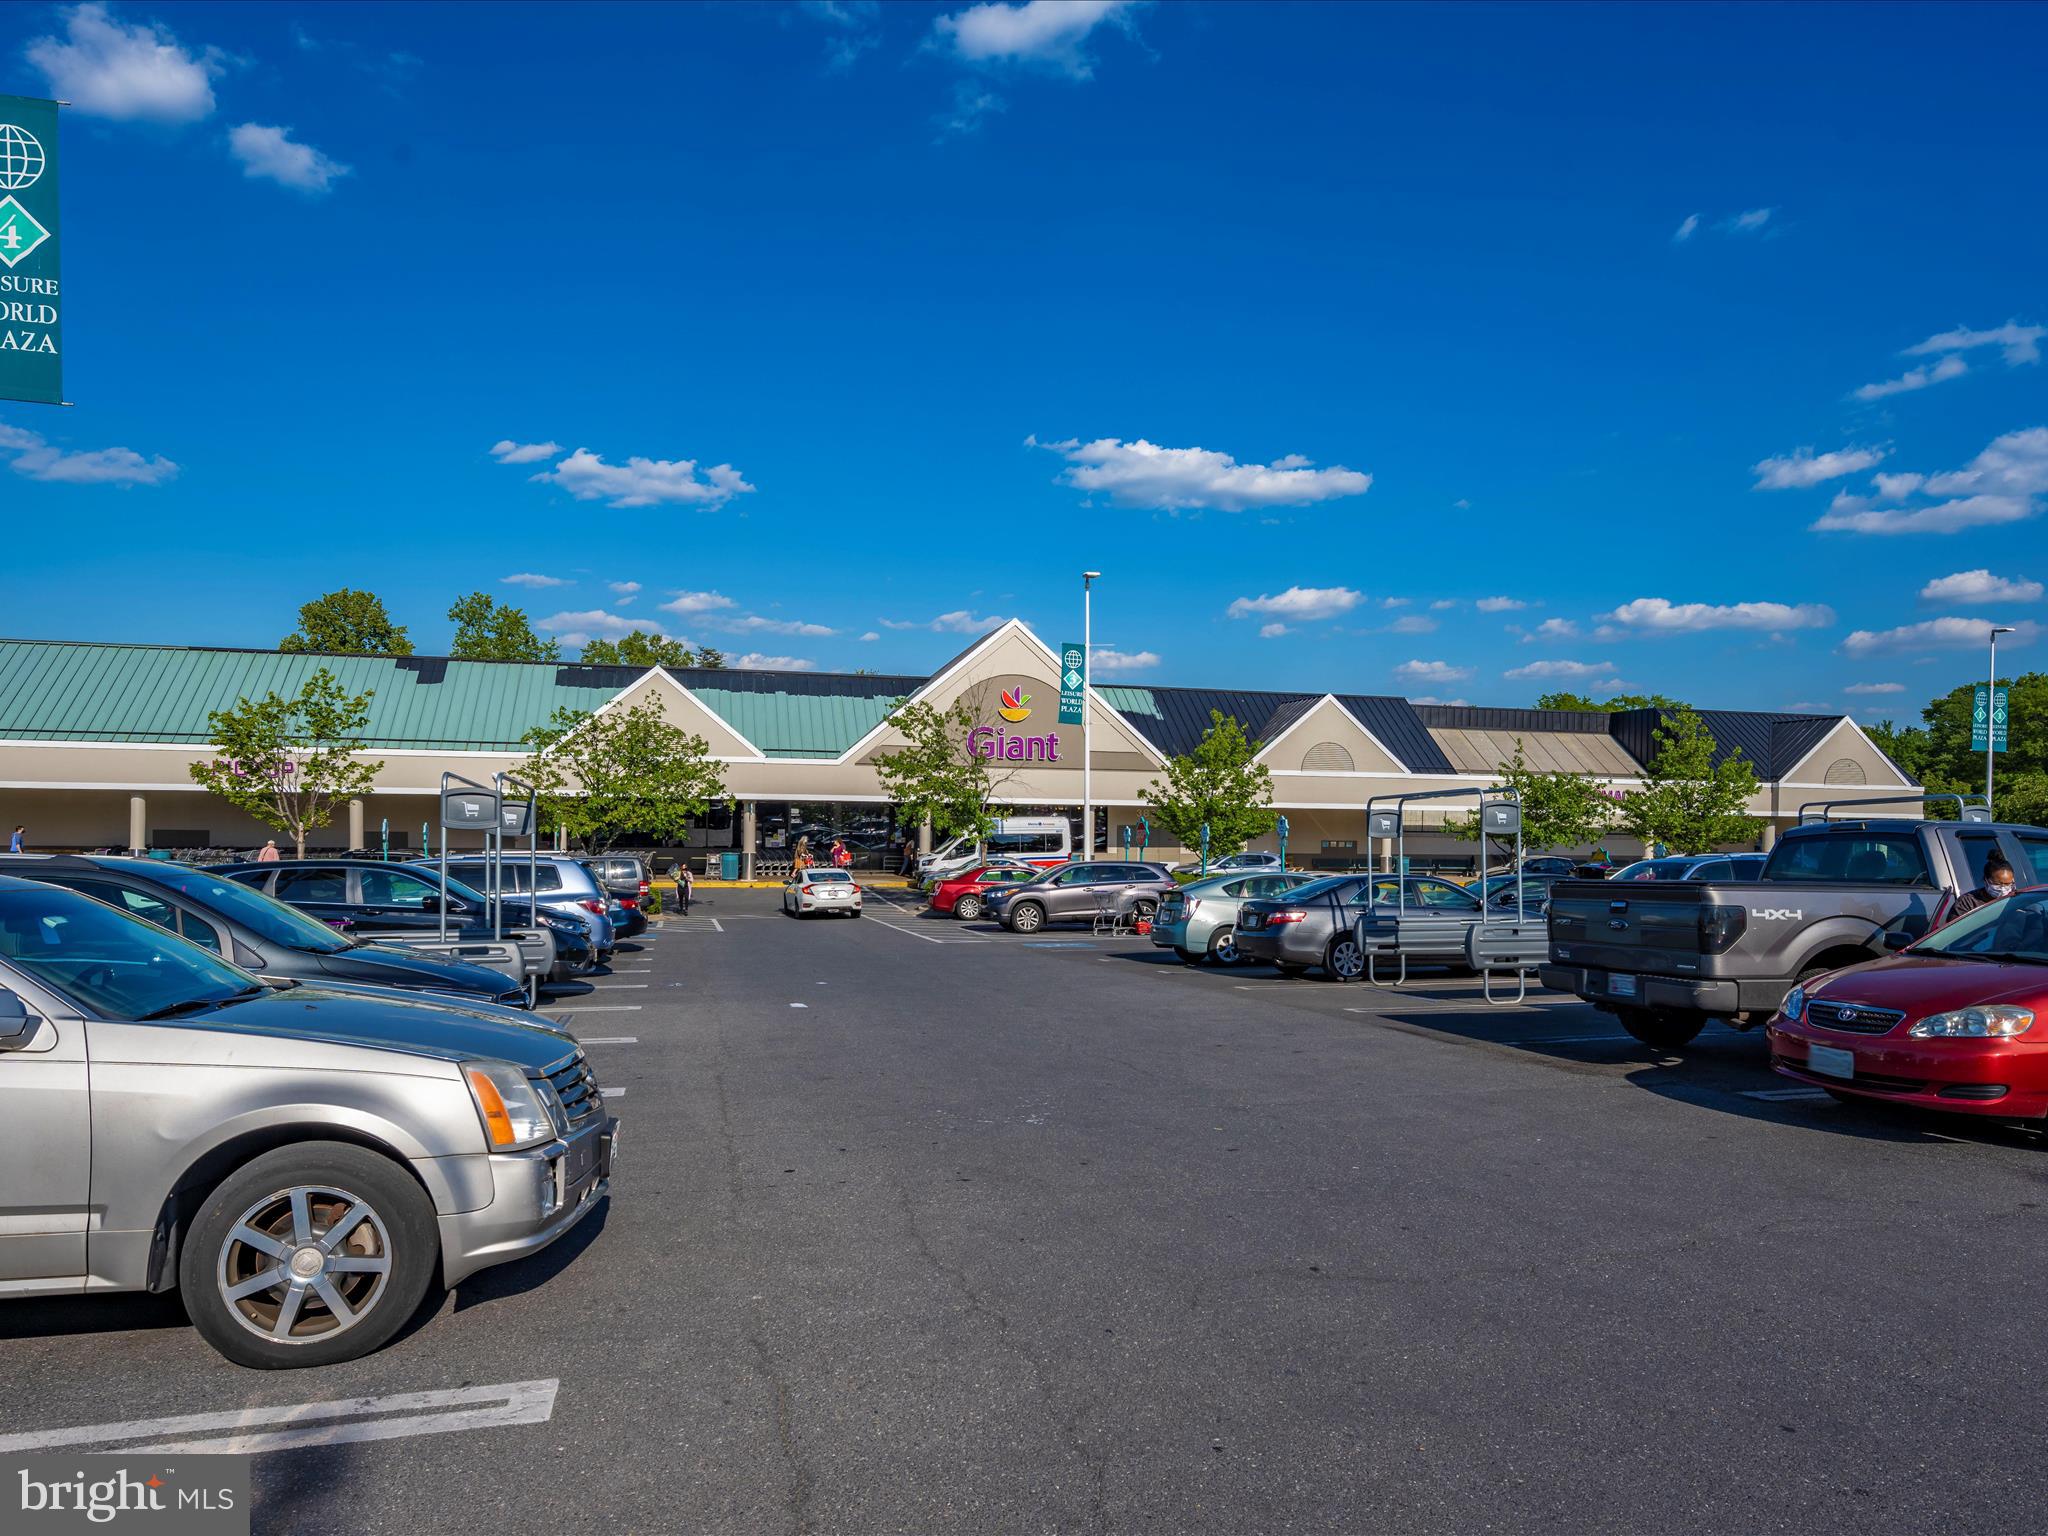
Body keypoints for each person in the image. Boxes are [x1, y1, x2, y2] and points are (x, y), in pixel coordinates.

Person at [1948, 856, 2018, 923]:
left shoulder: (2015, 899)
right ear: (1986, 880)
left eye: (2007, 884)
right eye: (1997, 884)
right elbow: (1956, 931)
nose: (2003, 888)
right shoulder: (1967, 903)